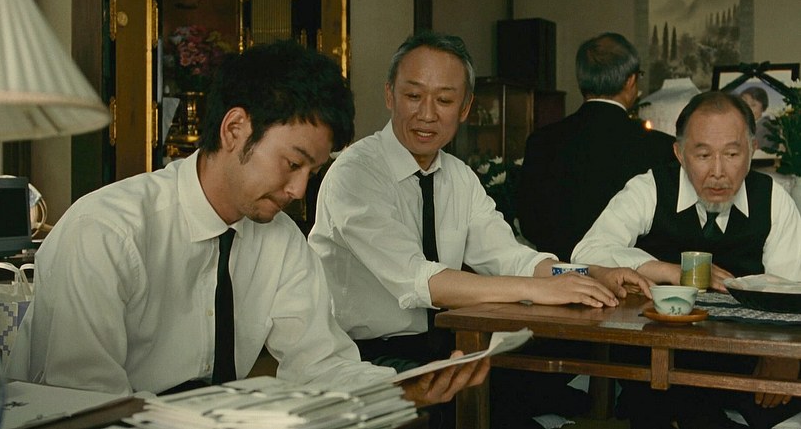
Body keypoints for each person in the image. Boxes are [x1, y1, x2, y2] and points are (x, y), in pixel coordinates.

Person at [6, 40, 489, 408]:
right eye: (292, 164)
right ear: (235, 129)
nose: (299, 190)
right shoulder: (107, 232)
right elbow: (91, 407)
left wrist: (403, 387)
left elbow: (321, 364)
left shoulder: (279, 240)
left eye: (312, 171)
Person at [307, 30, 654, 428]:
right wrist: (539, 290)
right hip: (362, 358)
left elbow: (512, 258)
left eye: (444, 100)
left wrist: (590, 273)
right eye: (413, 95)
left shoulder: (459, 177)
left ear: (466, 107)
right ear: (390, 95)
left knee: (558, 392)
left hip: (447, 346)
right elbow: (420, 280)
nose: (426, 114)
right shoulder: (356, 174)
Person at [573, 90, 801, 429]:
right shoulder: (650, 188)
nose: (718, 172)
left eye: (732, 154)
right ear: (680, 153)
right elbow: (588, 251)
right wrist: (665, 270)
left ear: (752, 150)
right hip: (656, 360)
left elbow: (792, 291)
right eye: (703, 155)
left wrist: (783, 356)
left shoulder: (773, 200)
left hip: (741, 363)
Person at [517, 32, 676, 261]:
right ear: (630, 81)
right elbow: (666, 230)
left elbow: (529, 224)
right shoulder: (660, 147)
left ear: (582, 79)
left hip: (557, 273)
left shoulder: (541, 141)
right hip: (630, 276)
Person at [739, 85, 773, 151]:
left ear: (763, 107)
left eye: (753, 105)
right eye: (744, 104)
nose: (748, 109)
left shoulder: (766, 126)